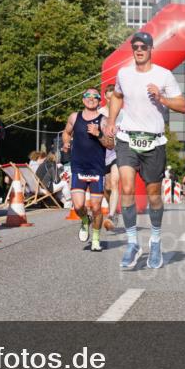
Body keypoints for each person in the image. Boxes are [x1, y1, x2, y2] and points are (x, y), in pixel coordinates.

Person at [105, 31, 185, 269]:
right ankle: (132, 243)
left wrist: (161, 98)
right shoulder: (124, 73)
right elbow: (117, 97)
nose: (139, 50)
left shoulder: (164, 75)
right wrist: (111, 121)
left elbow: (183, 106)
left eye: (143, 46)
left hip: (154, 141)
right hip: (127, 139)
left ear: (151, 49)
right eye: (135, 46)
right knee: (127, 187)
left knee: (153, 196)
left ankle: (155, 241)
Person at [62, 87, 114, 252]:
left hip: (96, 169)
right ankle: (85, 220)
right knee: (78, 206)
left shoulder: (104, 120)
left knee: (97, 207)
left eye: (95, 96)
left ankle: (96, 239)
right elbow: (66, 132)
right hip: (78, 167)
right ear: (83, 99)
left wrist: (98, 134)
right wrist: (66, 142)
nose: (91, 98)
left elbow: (111, 144)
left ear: (100, 100)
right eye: (87, 96)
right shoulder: (74, 117)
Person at [99, 84, 120, 231]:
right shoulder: (99, 113)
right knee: (106, 189)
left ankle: (111, 215)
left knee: (114, 183)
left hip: (117, 152)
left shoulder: (122, 113)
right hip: (101, 153)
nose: (111, 99)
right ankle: (112, 205)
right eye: (109, 97)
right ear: (105, 98)